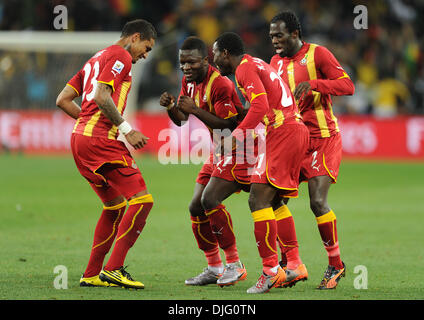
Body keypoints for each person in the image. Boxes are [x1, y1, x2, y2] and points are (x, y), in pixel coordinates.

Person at [56, 19, 157, 289]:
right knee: (143, 200)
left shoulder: (96, 58)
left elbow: (62, 99)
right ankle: (113, 269)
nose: (145, 55)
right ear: (135, 37)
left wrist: (86, 125)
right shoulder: (120, 55)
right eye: (146, 47)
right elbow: (102, 96)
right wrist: (126, 129)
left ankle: (91, 273)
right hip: (101, 142)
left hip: (80, 140)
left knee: (115, 206)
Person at [212, 32, 310, 294]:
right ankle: (294, 264)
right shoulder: (255, 63)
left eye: (214, 54)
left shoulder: (244, 69)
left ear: (225, 54)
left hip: (283, 131)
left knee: (257, 200)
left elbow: (260, 106)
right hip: (294, 128)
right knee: (274, 201)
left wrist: (234, 139)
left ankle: (270, 272)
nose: (213, 60)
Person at [269, 11, 355, 289]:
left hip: (323, 138)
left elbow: (347, 85)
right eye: (271, 36)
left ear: (294, 34)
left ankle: (335, 265)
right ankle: (292, 264)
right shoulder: (274, 63)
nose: (274, 41)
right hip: (293, 141)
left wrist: (316, 84)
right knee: (273, 201)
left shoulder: (318, 54)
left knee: (317, 201)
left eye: (279, 35)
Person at [159, 36, 252, 287]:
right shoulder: (187, 82)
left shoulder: (220, 84)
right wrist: (171, 107)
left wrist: (196, 110)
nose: (186, 67)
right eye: (182, 63)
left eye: (192, 62)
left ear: (205, 60)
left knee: (211, 199)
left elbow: (231, 124)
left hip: (241, 146)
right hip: (220, 148)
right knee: (195, 207)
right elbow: (181, 119)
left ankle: (235, 264)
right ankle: (214, 267)